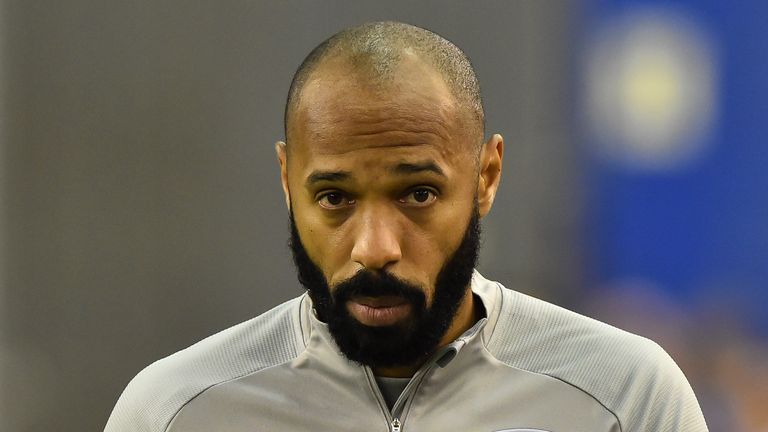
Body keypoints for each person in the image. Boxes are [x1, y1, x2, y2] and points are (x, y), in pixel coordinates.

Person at [105, 21, 708, 432]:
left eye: (418, 194)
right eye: (334, 198)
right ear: (287, 182)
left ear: (486, 176)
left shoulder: (626, 399)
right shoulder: (173, 413)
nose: (374, 249)